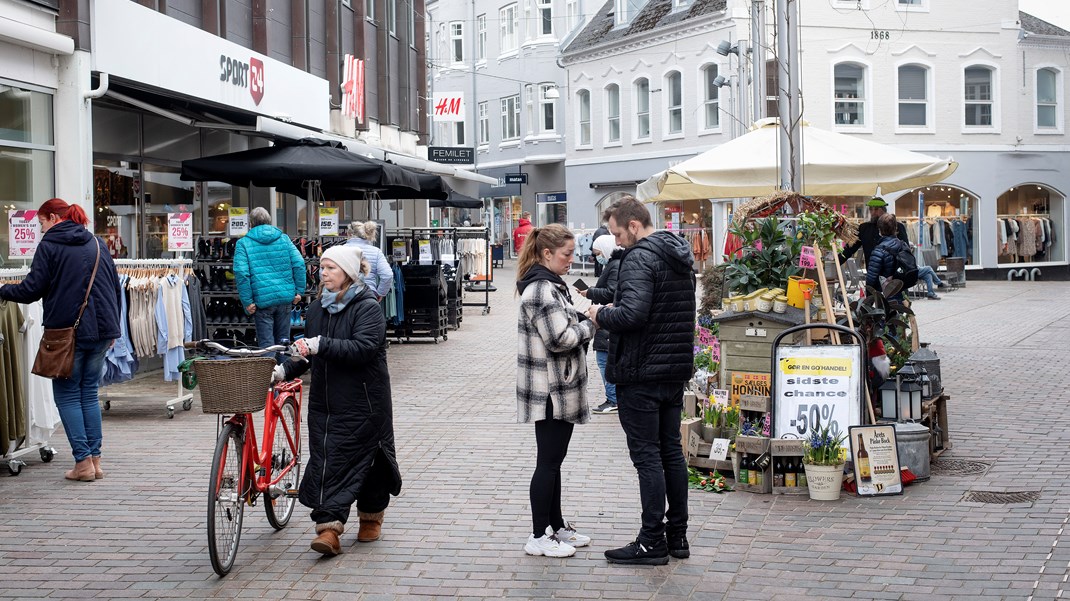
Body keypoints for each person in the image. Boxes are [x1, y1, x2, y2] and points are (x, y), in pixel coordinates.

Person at [586, 196, 696, 566]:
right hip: (672, 371)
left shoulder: (639, 257)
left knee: (648, 456)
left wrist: (601, 313)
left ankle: (651, 541)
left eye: (617, 233)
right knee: (670, 452)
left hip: (641, 371)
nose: (615, 242)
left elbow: (632, 314)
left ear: (634, 226)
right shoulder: (678, 256)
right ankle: (676, 535)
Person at [274, 245, 402, 556]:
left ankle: (371, 517)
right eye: (322, 267)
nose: (323, 273)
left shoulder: (367, 307)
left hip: (364, 403)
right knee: (326, 465)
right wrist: (283, 370)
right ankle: (329, 529)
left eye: (331, 268)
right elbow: (309, 355)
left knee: (370, 464)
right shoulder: (317, 308)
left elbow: (364, 348)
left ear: (348, 272)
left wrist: (321, 344)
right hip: (325, 406)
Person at [0, 198, 121, 482]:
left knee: (66, 395)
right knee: (89, 393)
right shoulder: (95, 242)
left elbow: (32, 289)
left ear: (53, 217)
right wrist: (114, 331)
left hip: (67, 332)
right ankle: (95, 461)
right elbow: (114, 287)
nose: (40, 229)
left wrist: (3, 289)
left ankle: (83, 464)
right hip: (103, 331)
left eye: (41, 222)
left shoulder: (50, 246)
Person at [515, 223, 597, 558]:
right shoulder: (539, 290)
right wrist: (592, 323)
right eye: (566, 254)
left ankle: (557, 525)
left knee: (554, 460)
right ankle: (538, 534)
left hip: (557, 385)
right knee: (548, 461)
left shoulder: (552, 285)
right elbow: (560, 339)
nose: (571, 260)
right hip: (549, 388)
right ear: (546, 253)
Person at [233, 207, 305, 352]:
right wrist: (299, 291)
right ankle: (284, 373)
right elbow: (299, 264)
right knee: (283, 342)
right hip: (285, 297)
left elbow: (242, 273)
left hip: (262, 300)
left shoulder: (243, 243)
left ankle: (269, 374)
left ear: (251, 223)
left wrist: (247, 301)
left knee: (267, 345)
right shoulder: (284, 239)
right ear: (270, 221)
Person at [580, 234, 621, 414]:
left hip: (607, 320)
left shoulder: (614, 266)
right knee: (605, 359)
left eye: (598, 253)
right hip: (606, 317)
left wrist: (590, 292)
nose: (597, 256)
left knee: (604, 360)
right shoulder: (613, 265)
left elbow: (610, 292)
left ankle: (613, 399)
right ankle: (613, 398)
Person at [839, 197, 909, 266]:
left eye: (876, 209)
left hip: (893, 274)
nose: (872, 213)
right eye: (870, 209)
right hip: (872, 272)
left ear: (884, 210)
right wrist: (836, 262)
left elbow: (905, 252)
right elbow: (849, 249)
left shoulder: (897, 227)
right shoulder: (864, 228)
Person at [866, 213, 913, 300]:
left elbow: (871, 279)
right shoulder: (903, 245)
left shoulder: (879, 250)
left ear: (879, 230)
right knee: (902, 313)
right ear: (895, 228)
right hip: (902, 292)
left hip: (887, 294)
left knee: (891, 313)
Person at [345, 221, 394, 301]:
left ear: (349, 234)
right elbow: (387, 275)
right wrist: (380, 293)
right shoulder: (376, 252)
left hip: (346, 295)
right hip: (369, 295)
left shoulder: (339, 250)